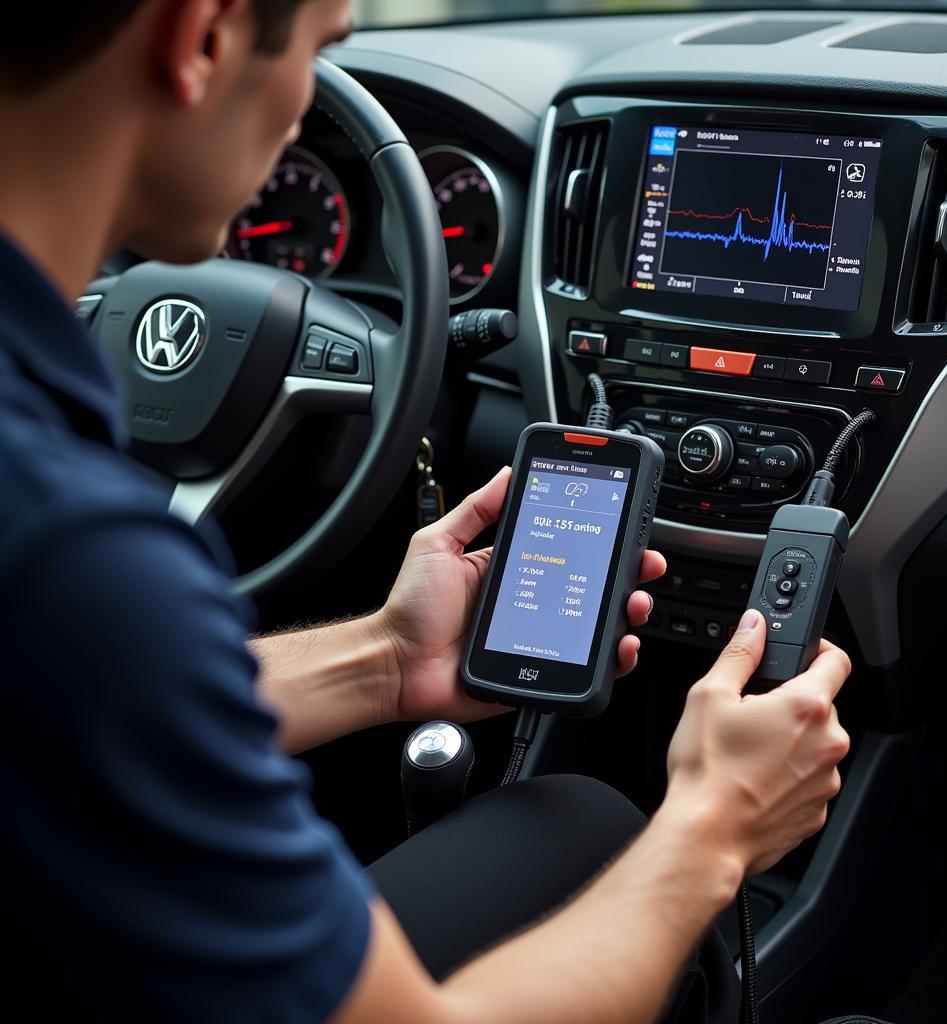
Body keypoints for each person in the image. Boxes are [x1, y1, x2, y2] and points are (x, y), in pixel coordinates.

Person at [0, 2, 852, 1022]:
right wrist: (712, 830)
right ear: (203, 39)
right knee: (597, 834)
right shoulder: (76, 556)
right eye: (319, 51)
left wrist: (383, 660)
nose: (309, 102)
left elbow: (85, 697)